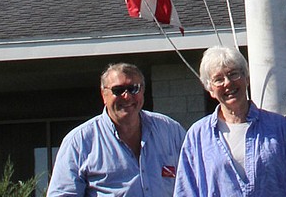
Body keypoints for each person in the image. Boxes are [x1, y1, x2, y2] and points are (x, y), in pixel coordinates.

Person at [173, 46, 286, 197]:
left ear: (246, 78)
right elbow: (186, 191)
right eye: (218, 79)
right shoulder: (198, 135)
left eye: (233, 74)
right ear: (210, 90)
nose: (227, 83)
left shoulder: (279, 128)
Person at [47, 62, 186, 197]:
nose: (127, 96)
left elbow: (193, 183)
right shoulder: (80, 142)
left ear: (142, 91)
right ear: (104, 95)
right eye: (118, 90)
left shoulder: (170, 131)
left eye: (134, 88)